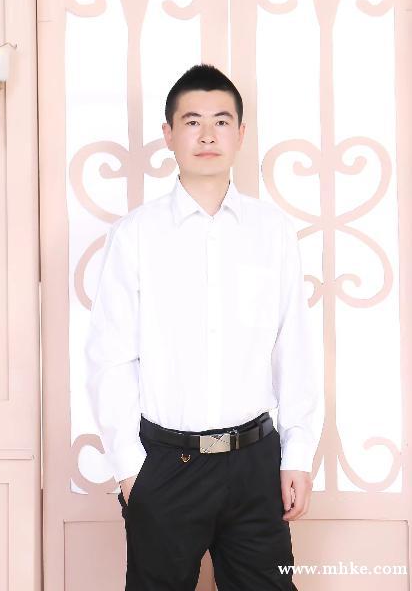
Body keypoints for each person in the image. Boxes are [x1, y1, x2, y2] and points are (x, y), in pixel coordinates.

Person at [85, 63, 322, 591]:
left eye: (221, 121)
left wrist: (298, 454)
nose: (208, 135)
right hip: (166, 466)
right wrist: (131, 470)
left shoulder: (272, 231)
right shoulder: (135, 235)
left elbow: (295, 349)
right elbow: (109, 358)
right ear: (168, 134)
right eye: (192, 122)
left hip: (256, 464)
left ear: (240, 134)